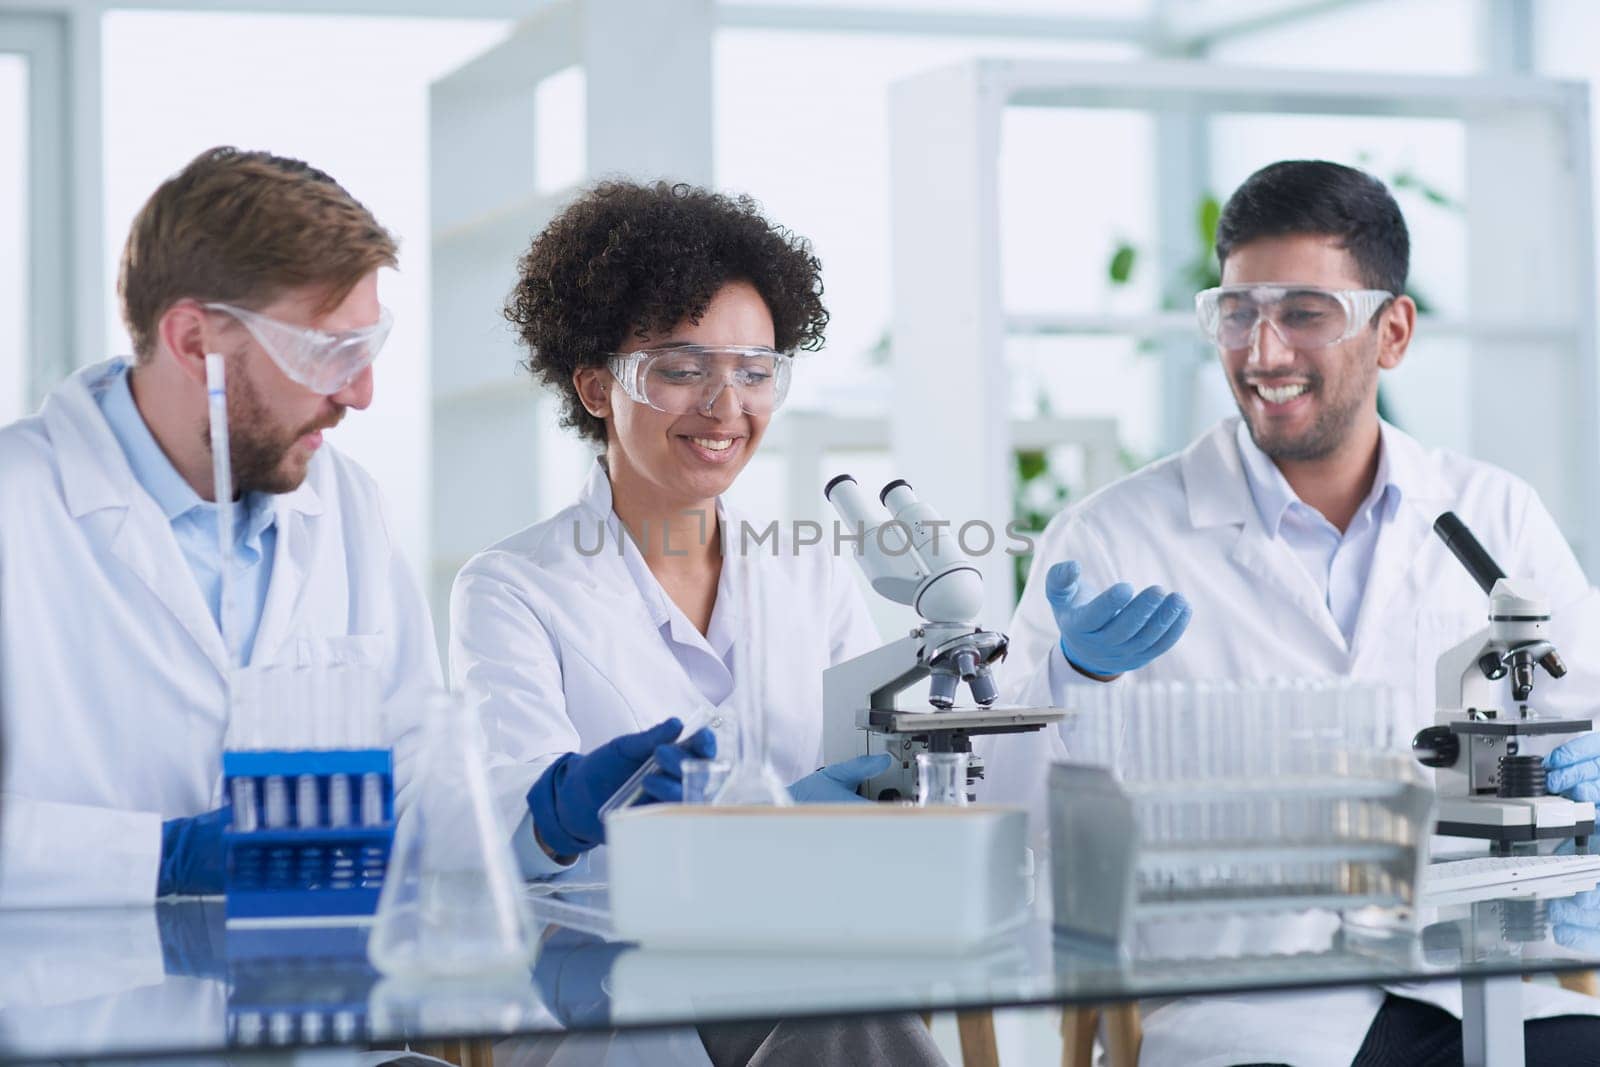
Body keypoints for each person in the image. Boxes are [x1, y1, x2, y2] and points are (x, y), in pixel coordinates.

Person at [986, 160, 1600, 1065]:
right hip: (1239, 1006)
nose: (1263, 352)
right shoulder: (1112, 536)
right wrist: (1069, 680)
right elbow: (1002, 816)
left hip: (1476, 982)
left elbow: (1576, 717)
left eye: (1305, 313)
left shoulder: (1494, 515)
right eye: (1238, 313)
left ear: (1392, 331)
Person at [450, 180, 946, 1065]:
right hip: (611, 1005)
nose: (726, 408)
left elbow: (865, 788)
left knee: (847, 1007)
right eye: (681, 369)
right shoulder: (513, 588)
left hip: (802, 968)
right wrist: (736, 833)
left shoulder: (809, 568)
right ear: (598, 386)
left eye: (756, 372)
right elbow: (513, 856)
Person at [0, 147, 439, 908]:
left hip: (310, 1003)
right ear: (193, 341)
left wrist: (543, 817)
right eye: (329, 351)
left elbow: (419, 772)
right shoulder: (20, 510)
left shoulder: (348, 506)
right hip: (69, 1014)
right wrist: (159, 857)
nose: (360, 393)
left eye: (367, 349)